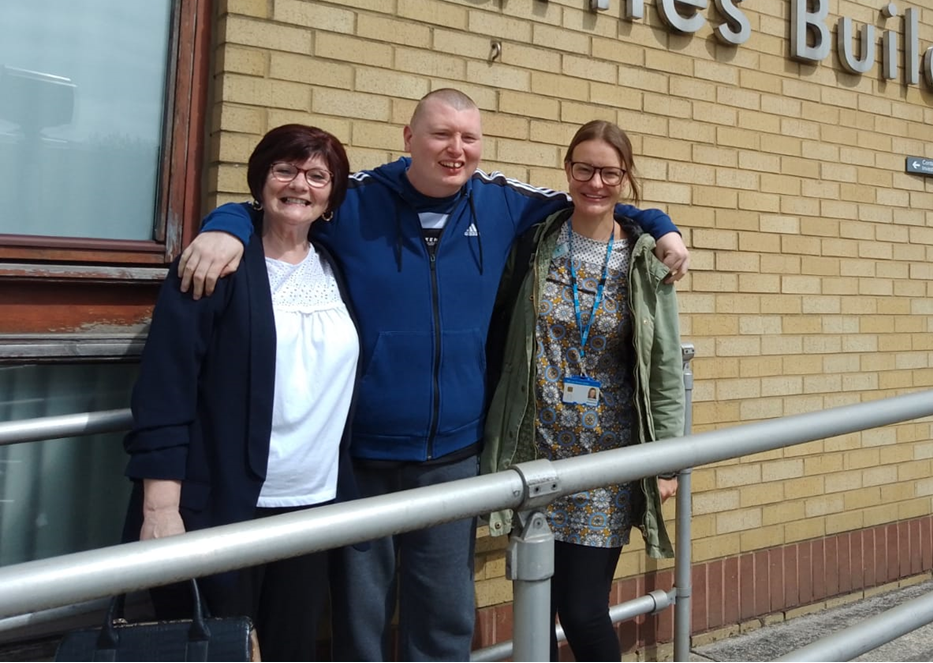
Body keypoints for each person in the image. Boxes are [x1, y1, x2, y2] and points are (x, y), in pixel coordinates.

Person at [175, 89, 689, 662]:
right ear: (409, 138)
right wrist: (224, 226)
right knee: (360, 618)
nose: (456, 149)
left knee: (444, 616)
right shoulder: (354, 199)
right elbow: (280, 204)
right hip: (363, 456)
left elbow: (595, 199)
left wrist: (661, 225)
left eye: (468, 137)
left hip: (454, 456)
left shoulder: (501, 202)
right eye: (442, 134)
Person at [123, 124, 360, 662]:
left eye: (317, 176)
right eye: (285, 170)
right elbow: (166, 387)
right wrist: (160, 509)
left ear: (331, 196)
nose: (300, 184)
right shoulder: (214, 266)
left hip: (312, 507)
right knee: (222, 650)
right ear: (260, 181)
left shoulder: (336, 266)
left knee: (290, 648)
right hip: (222, 507)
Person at [481, 120, 685, 663]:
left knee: (582, 608)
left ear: (626, 178)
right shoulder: (535, 240)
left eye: (610, 172)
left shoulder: (644, 258)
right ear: (567, 170)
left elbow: (663, 364)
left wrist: (668, 458)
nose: (596, 182)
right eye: (584, 169)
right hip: (536, 445)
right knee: (535, 599)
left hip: (606, 457)